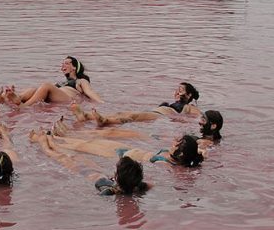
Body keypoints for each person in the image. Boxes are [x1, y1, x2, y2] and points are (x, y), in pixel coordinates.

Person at [28, 128, 151, 195]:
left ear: (117, 176)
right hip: (95, 172)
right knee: (69, 155)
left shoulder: (109, 191)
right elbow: (151, 186)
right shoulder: (137, 186)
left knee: (62, 157)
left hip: (87, 173)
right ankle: (51, 141)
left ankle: (43, 142)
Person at [0, 56, 103, 107]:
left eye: (66, 63)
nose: (62, 65)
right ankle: (10, 98)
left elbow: (90, 93)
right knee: (33, 89)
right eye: (62, 63)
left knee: (45, 85)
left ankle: (22, 107)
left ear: (74, 67)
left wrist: (103, 104)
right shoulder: (60, 83)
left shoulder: (81, 81)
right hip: (54, 96)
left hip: (69, 98)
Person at [71, 82, 201, 127]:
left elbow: (200, 116)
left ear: (189, 95)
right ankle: (86, 116)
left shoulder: (189, 106)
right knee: (122, 113)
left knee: (132, 116)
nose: (177, 92)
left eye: (181, 90)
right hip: (154, 114)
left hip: (158, 116)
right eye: (176, 90)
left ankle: (105, 121)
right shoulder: (174, 103)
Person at [48, 132, 204, 168]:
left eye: (176, 143)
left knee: (82, 148)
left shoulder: (168, 164)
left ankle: (50, 142)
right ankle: (57, 137)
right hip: (127, 150)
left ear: (181, 153)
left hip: (119, 156)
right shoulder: (170, 155)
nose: (173, 142)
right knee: (91, 141)